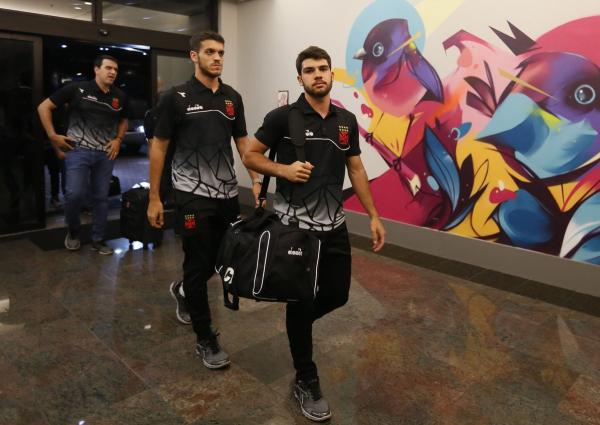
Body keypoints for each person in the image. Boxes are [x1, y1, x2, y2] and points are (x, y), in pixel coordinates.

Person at [243, 46, 386, 422]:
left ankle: (298, 323)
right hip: (295, 232)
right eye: (310, 70)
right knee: (301, 300)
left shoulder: (345, 120)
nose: (318, 74)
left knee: (337, 294)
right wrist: (284, 170)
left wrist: (373, 215)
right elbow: (251, 155)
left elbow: (356, 169)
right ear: (300, 78)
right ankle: (306, 377)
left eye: (323, 68)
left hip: (334, 226)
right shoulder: (282, 118)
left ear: (331, 74)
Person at [147, 32, 261, 367]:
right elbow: (159, 147)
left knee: (220, 258)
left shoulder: (232, 98)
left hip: (226, 195)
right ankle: (205, 338)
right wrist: (154, 197)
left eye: (221, 52)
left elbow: (243, 143)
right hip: (190, 195)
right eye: (210, 52)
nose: (217, 58)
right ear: (194, 56)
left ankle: (183, 290)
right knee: (197, 263)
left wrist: (255, 180)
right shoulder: (175, 97)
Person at [38, 55, 128, 255]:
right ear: (96, 69)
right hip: (78, 150)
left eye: (115, 69)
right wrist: (52, 136)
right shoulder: (77, 89)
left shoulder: (119, 96)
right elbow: (44, 107)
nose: (113, 72)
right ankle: (73, 231)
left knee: (101, 198)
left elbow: (124, 119)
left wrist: (118, 139)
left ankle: (98, 239)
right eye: (108, 68)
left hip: (105, 154)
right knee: (74, 194)